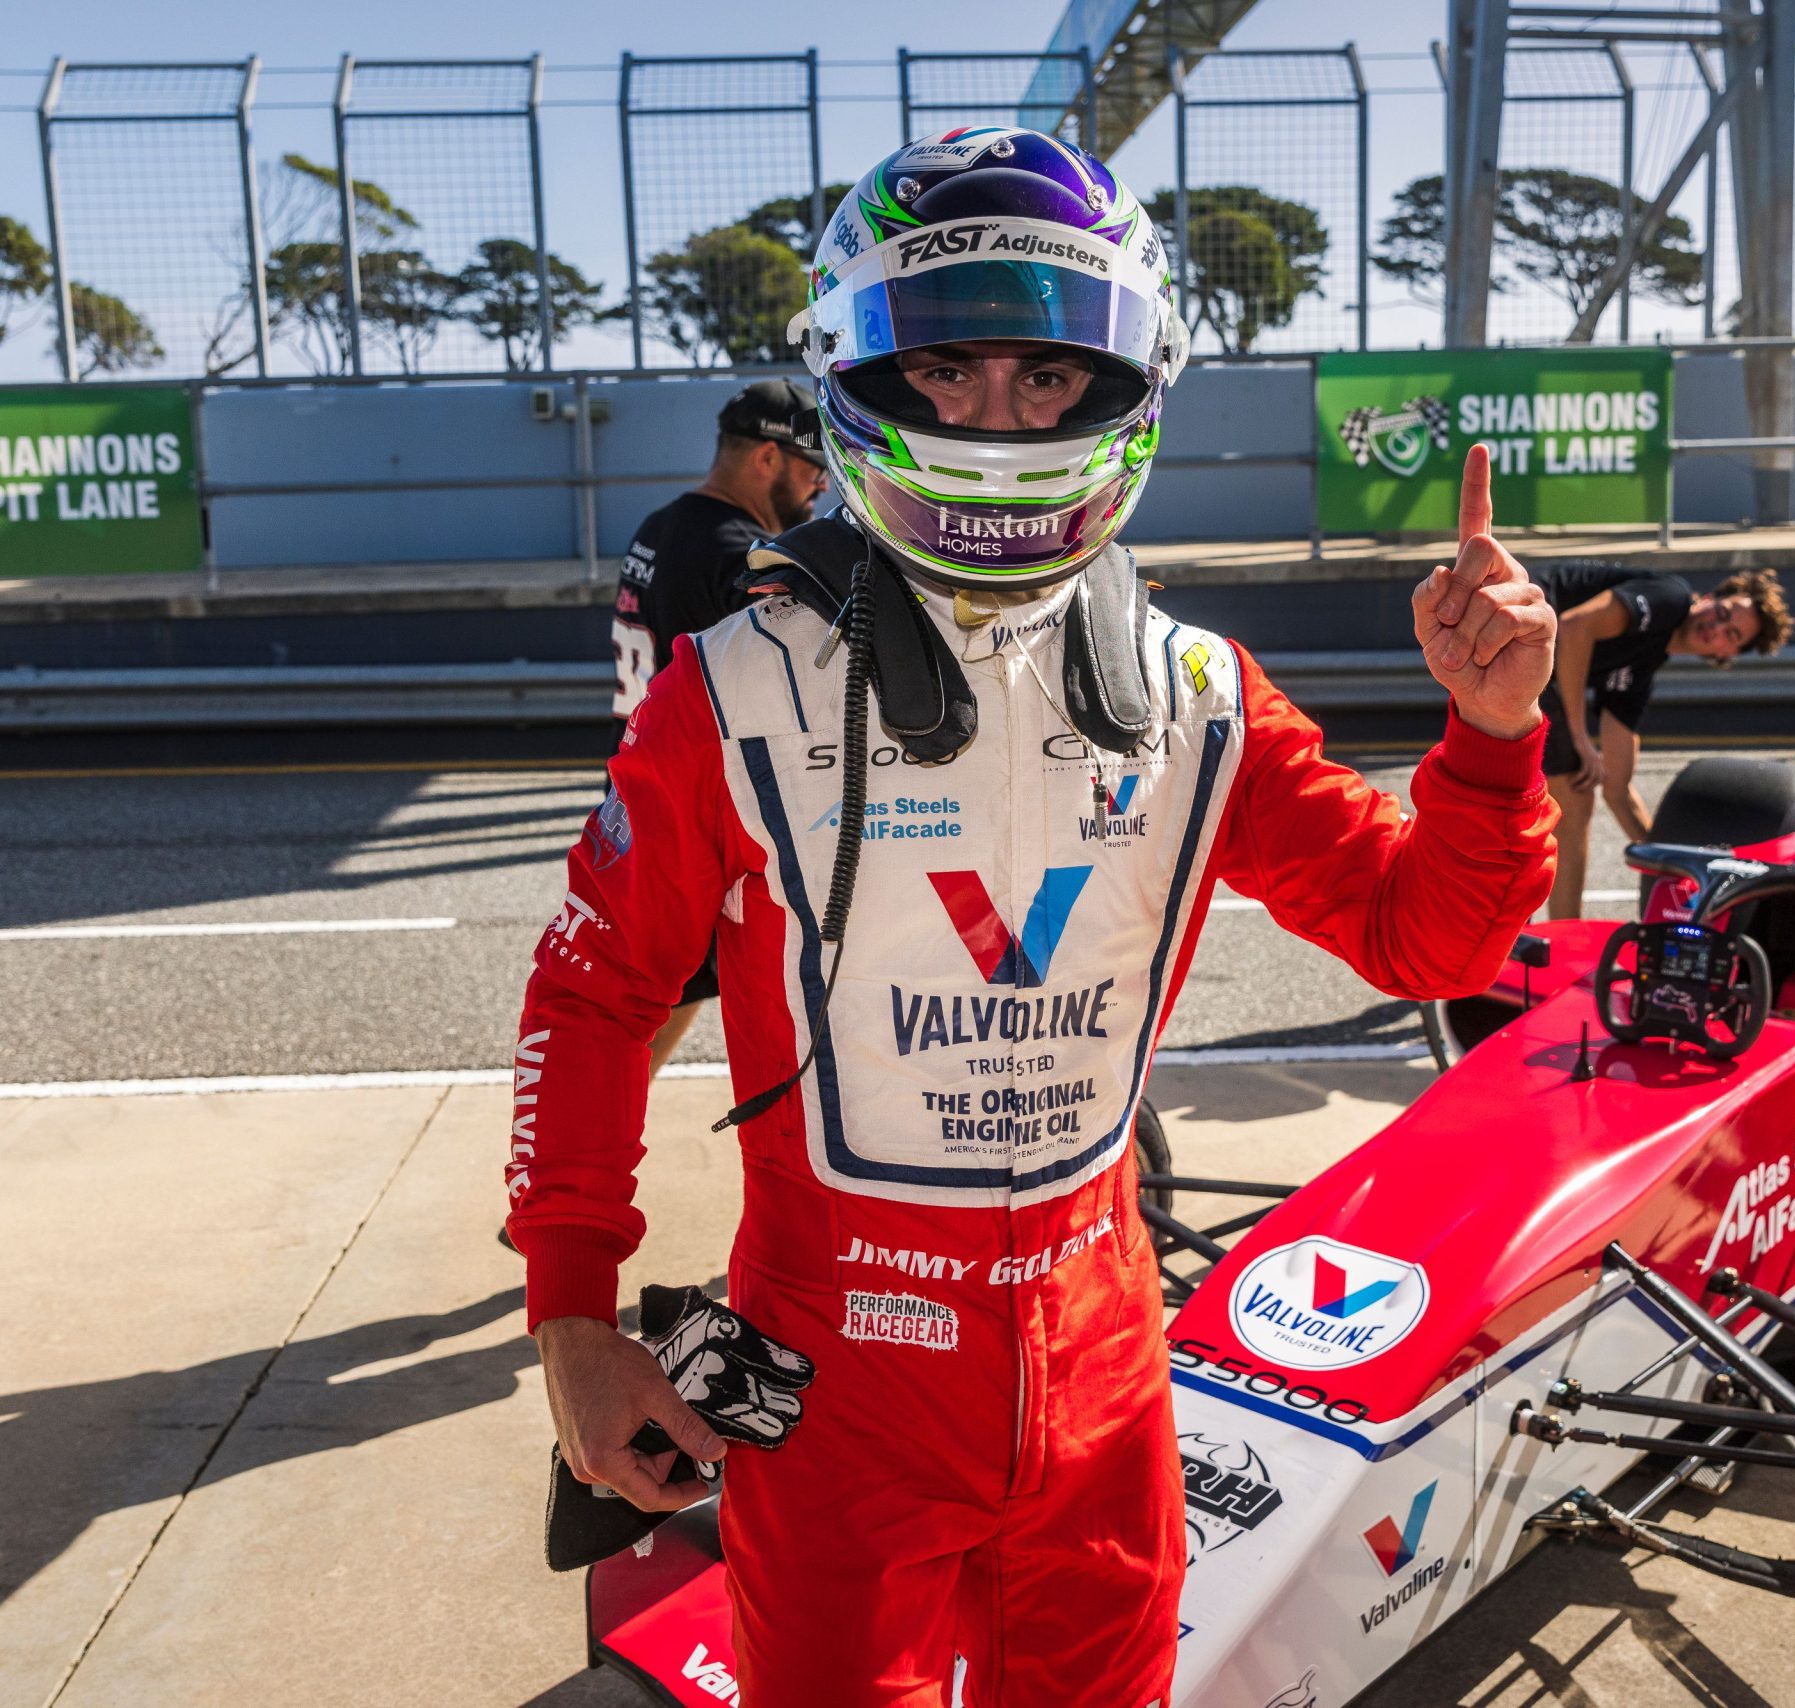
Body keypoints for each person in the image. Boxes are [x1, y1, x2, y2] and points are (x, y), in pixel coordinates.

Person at [506, 129, 1560, 1707]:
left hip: (1108, 1377)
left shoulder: (1198, 694)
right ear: (861, 371)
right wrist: (573, 1321)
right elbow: (589, 1003)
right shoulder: (730, 693)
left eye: (1049, 377)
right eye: (948, 368)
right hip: (837, 1384)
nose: (999, 419)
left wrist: (1488, 742)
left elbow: (1435, 943)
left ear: (1127, 379)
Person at [609, 377, 830, 1074]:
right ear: (766, 458)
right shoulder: (735, 555)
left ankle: (596, 1115)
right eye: (811, 470)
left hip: (642, 791)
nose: (820, 488)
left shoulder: (660, 527)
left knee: (667, 989)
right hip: (693, 813)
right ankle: (584, 1129)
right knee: (674, 997)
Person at [1537, 562, 1794, 919]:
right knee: (1574, 797)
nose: (1716, 627)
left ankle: (1543, 936)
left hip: (1527, 656)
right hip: (1522, 620)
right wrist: (1581, 739)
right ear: (1707, 598)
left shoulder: (1639, 671)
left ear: (1726, 656)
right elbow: (1575, 625)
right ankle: (1563, 939)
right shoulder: (1670, 597)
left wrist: (1683, 871)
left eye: (1731, 634)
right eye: (1722, 612)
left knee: (1563, 799)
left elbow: (1618, 789)